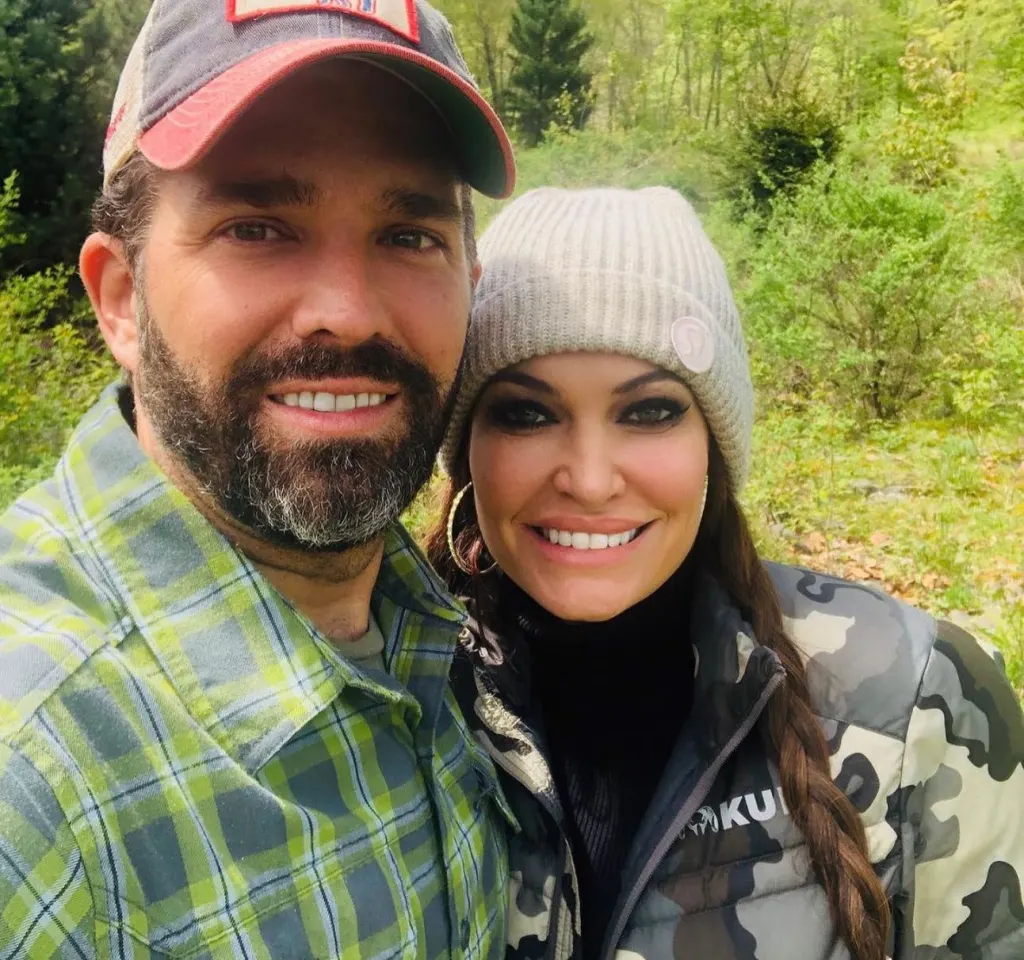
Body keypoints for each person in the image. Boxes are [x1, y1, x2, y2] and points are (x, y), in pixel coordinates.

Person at [0, 1, 518, 956]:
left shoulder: (453, 631)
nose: (347, 311)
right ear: (121, 298)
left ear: (470, 286)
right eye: (256, 227)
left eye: (409, 237)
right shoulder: (35, 783)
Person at [427, 186, 1024, 960]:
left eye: (647, 412)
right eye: (527, 413)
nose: (590, 477)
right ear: (466, 443)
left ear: (715, 441)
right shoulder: (391, 692)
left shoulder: (914, 700)